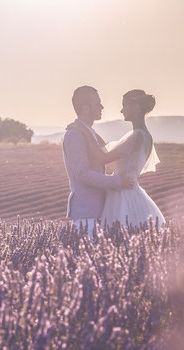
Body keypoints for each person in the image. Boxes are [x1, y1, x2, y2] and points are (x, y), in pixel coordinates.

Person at [80, 89, 165, 230]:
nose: (121, 110)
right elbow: (107, 147)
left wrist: (84, 131)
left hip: (123, 194)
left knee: (118, 234)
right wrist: (91, 132)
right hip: (130, 191)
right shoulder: (143, 135)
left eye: (124, 105)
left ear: (135, 107)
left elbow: (103, 158)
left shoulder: (136, 136)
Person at [61, 85, 134, 238]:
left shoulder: (87, 133)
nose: (102, 106)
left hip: (99, 212)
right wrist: (116, 182)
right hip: (86, 213)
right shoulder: (75, 135)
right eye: (97, 103)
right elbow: (82, 173)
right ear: (86, 108)